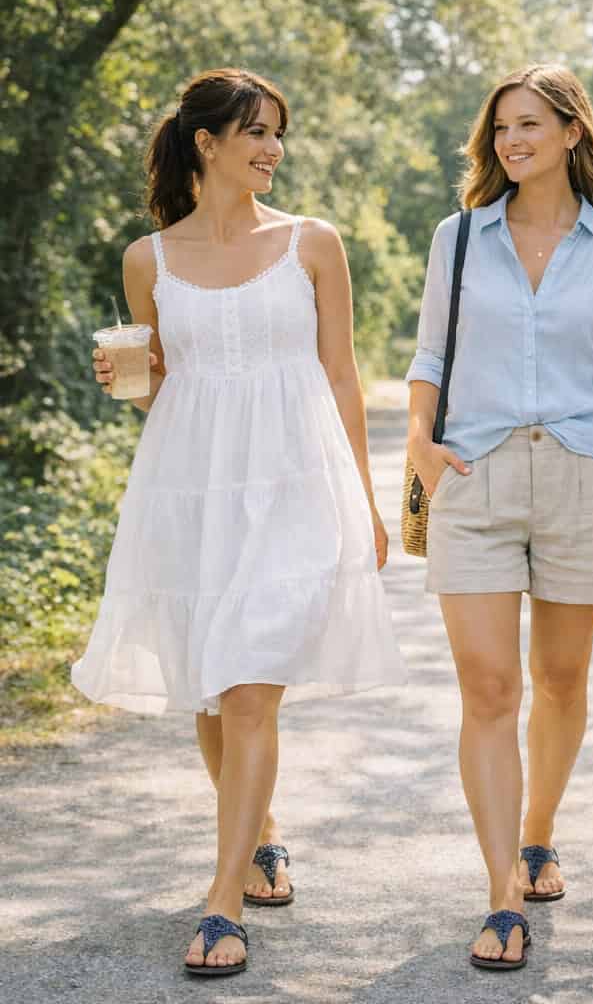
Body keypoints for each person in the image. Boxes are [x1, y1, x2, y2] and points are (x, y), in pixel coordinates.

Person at [73, 68, 404, 976]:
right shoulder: (148, 259)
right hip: (190, 490)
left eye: (277, 132)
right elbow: (164, 395)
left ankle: (222, 905)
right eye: (256, 131)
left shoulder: (311, 242)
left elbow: (341, 376)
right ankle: (258, 836)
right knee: (214, 691)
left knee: (252, 689)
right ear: (206, 142)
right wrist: (127, 384)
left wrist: (365, 501)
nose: (273, 148)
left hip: (295, 489)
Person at [406, 63, 593, 970]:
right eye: (501, 128)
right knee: (488, 689)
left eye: (529, 125)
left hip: (583, 477)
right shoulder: (460, 238)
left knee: (559, 679)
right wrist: (420, 449)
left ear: (571, 132)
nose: (511, 141)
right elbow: (429, 355)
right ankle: (501, 895)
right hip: (474, 475)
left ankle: (538, 831)